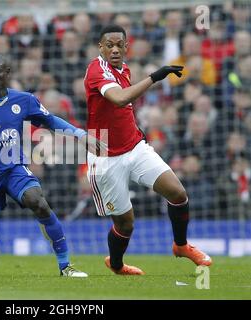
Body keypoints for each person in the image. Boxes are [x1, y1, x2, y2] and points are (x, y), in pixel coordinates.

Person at [0, 53, 103, 277]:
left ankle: (65, 266)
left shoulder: (24, 100)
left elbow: (50, 121)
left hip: (13, 168)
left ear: (8, 73)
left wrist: (81, 135)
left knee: (38, 202)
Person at [84, 25, 212, 275]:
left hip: (135, 148)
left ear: (126, 46)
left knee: (177, 193)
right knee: (126, 224)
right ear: (100, 47)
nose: (114, 49)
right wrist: (155, 76)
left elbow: (123, 108)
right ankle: (117, 264)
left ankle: (181, 245)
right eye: (109, 45)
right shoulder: (96, 70)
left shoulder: (124, 69)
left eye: (119, 44)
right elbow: (120, 99)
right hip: (105, 157)